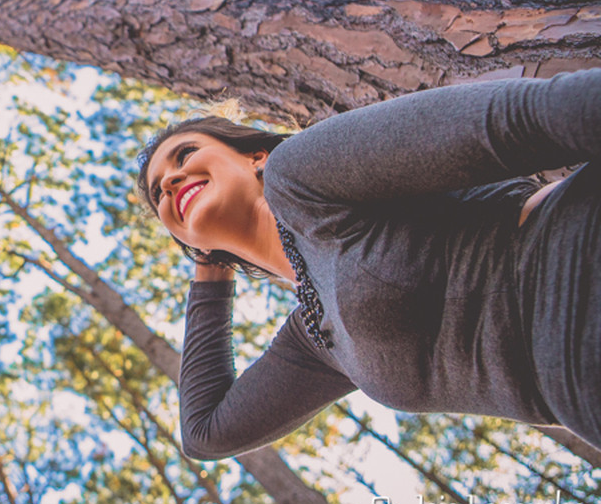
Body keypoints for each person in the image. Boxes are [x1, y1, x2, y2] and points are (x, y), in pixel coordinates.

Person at [136, 68, 601, 460]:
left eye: (186, 153)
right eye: (159, 192)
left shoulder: (298, 175)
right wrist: (210, 271)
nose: (172, 179)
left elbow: (514, 120)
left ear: (256, 156)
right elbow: (205, 433)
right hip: (580, 395)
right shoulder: (316, 343)